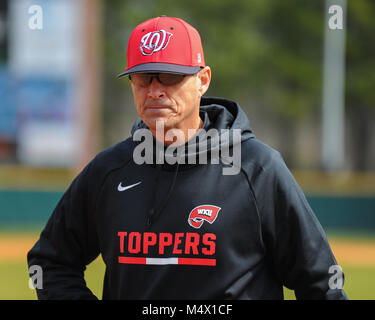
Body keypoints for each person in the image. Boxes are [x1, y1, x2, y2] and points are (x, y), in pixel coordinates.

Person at [27, 16, 347, 300]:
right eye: (143, 77)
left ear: (202, 80)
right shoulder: (109, 171)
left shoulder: (257, 168)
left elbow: (321, 283)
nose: (154, 91)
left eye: (169, 76)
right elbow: (51, 262)